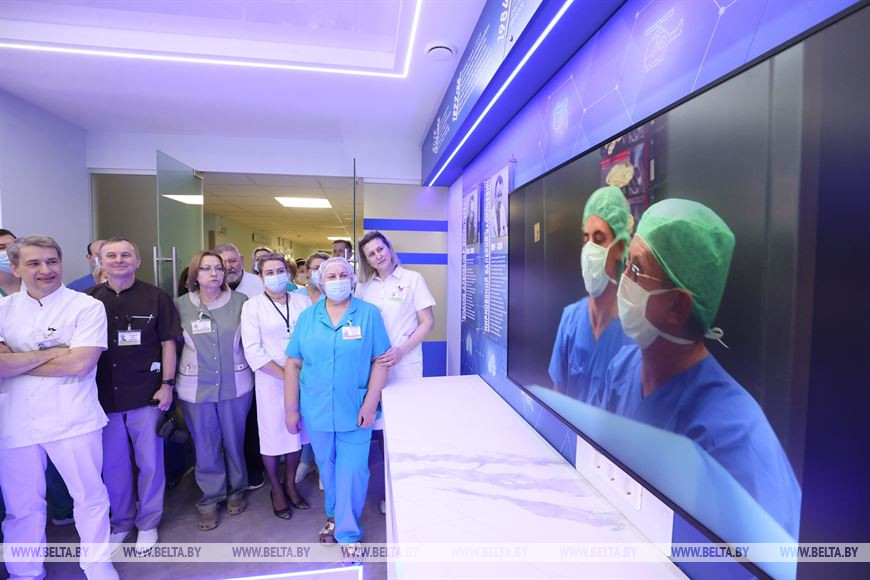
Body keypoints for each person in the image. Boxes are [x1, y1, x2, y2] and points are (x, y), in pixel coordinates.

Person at [600, 198, 801, 538]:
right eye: (626, 265)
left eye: (636, 270)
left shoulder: (736, 440)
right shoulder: (622, 370)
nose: (623, 281)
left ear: (678, 307)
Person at [0, 235, 118, 579]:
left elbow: (80, 364)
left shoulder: (86, 307)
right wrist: (56, 352)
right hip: (15, 420)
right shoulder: (3, 310)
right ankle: (25, 570)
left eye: (52, 261)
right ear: (16, 268)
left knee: (90, 496)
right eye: (34, 263)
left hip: (73, 417)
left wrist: (18, 361)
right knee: (22, 505)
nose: (45, 269)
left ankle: (97, 565)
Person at [284, 257, 390, 551]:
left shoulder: (368, 314)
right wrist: (291, 409)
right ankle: (333, 516)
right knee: (327, 469)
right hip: (316, 408)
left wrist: (370, 403)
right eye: (331, 276)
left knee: (353, 471)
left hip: (355, 409)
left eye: (344, 275)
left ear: (353, 281)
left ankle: (348, 533)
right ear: (320, 281)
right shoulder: (308, 317)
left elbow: (381, 361)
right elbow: (293, 363)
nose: (338, 280)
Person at [87, 238, 183, 554]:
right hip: (103, 397)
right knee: (113, 466)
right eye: (111, 255)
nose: (119, 260)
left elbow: (169, 343)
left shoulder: (156, 297)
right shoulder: (88, 300)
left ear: (138, 261)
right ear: (100, 262)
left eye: (126, 254)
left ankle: (148, 522)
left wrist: (167, 384)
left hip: (146, 393)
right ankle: (121, 522)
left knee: (150, 463)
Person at [356, 231, 435, 514]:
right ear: (367, 261)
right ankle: (390, 490)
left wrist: (401, 350)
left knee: (405, 428)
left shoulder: (413, 279)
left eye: (380, 249)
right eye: (371, 254)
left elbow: (428, 322)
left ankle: (406, 492)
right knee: (381, 431)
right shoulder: (364, 288)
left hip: (405, 364)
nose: (378, 256)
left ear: (389, 248)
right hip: (373, 368)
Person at [175, 251, 254, 531]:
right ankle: (210, 499)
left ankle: (237, 490)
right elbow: (171, 346)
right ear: (194, 274)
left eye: (218, 268)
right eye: (206, 268)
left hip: (236, 384)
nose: (214, 273)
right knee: (205, 445)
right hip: (196, 387)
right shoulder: (180, 305)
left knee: (234, 441)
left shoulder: (241, 302)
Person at [241, 253, 311, 520]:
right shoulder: (253, 306)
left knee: (296, 433)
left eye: (280, 270)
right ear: (260, 277)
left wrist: (300, 375)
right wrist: (286, 376)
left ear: (289, 273)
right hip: (271, 379)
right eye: (269, 272)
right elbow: (252, 350)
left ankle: (290, 484)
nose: (275, 276)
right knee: (272, 437)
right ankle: (276, 489)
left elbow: (312, 337)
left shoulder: (302, 301)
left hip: (304, 377)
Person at [548, 186, 633, 403]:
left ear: (620, 247)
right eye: (586, 239)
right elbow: (558, 397)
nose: (589, 249)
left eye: (599, 238)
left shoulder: (633, 333)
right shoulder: (570, 319)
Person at [215, 243, 265, 490]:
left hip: (259, 362)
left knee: (252, 420)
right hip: (225, 363)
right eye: (222, 263)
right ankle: (226, 472)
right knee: (226, 425)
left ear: (242, 259)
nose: (228, 267)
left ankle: (254, 468)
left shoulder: (258, 284)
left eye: (233, 261)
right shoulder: (211, 286)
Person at [292, 252, 329, 485]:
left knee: (323, 416)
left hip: (326, 366)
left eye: (324, 268)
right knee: (305, 417)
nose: (319, 272)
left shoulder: (335, 296)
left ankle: (323, 467)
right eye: (315, 268)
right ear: (306, 271)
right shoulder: (295, 298)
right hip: (300, 364)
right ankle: (306, 461)